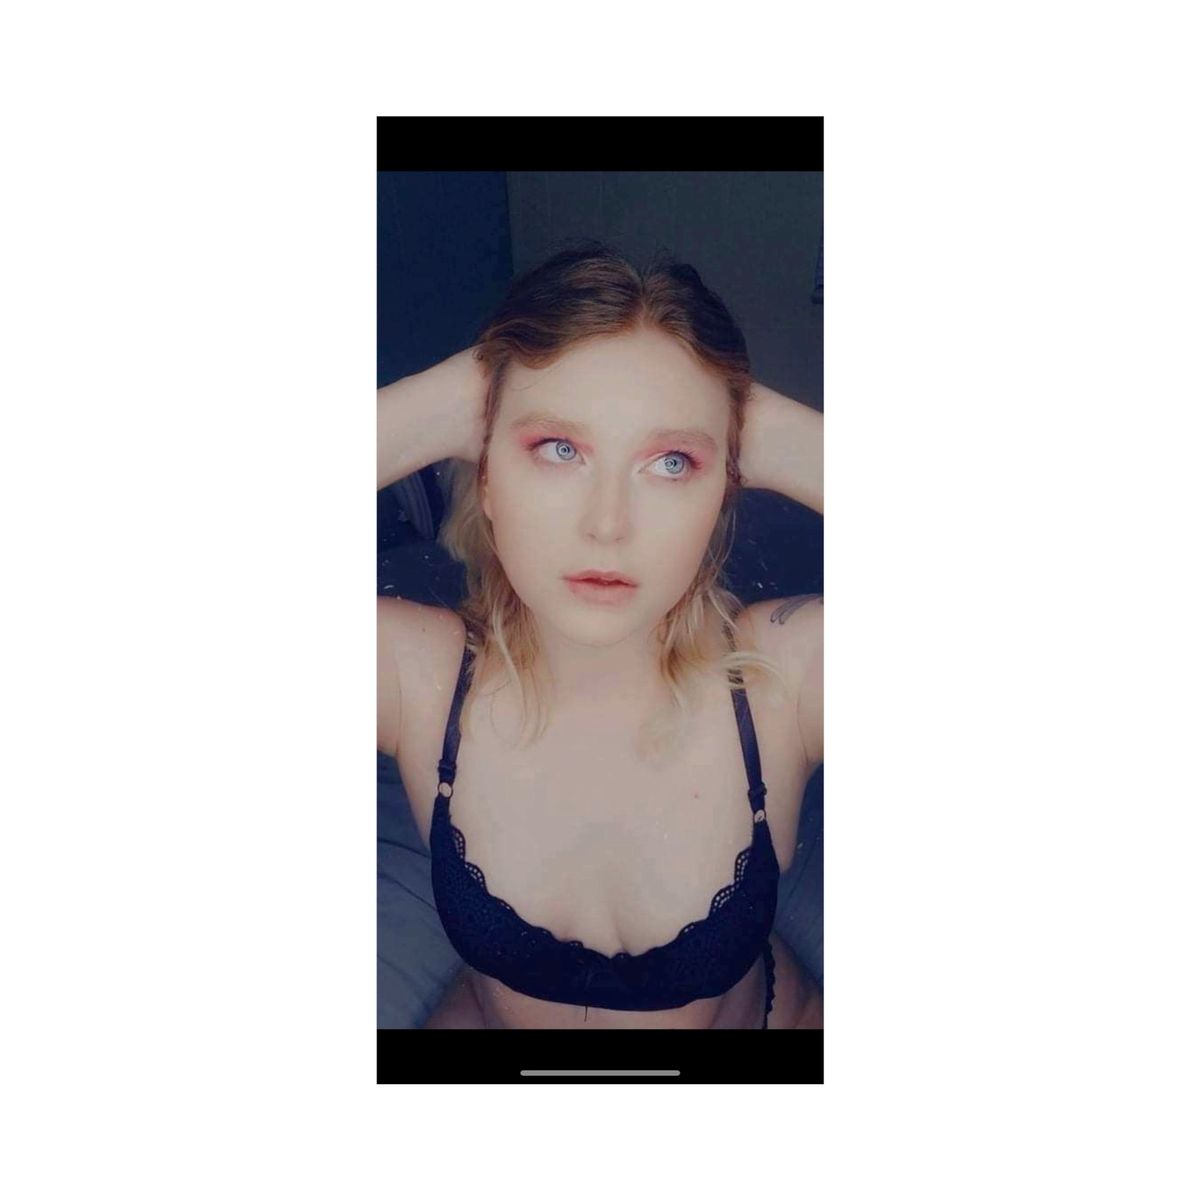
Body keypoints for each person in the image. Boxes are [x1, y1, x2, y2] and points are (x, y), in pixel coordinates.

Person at [377, 243, 823, 1029]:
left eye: (672, 462)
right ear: (485, 475)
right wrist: (451, 399)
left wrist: (758, 428)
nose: (607, 525)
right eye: (558, 449)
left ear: (727, 487)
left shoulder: (783, 681)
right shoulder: (418, 679)